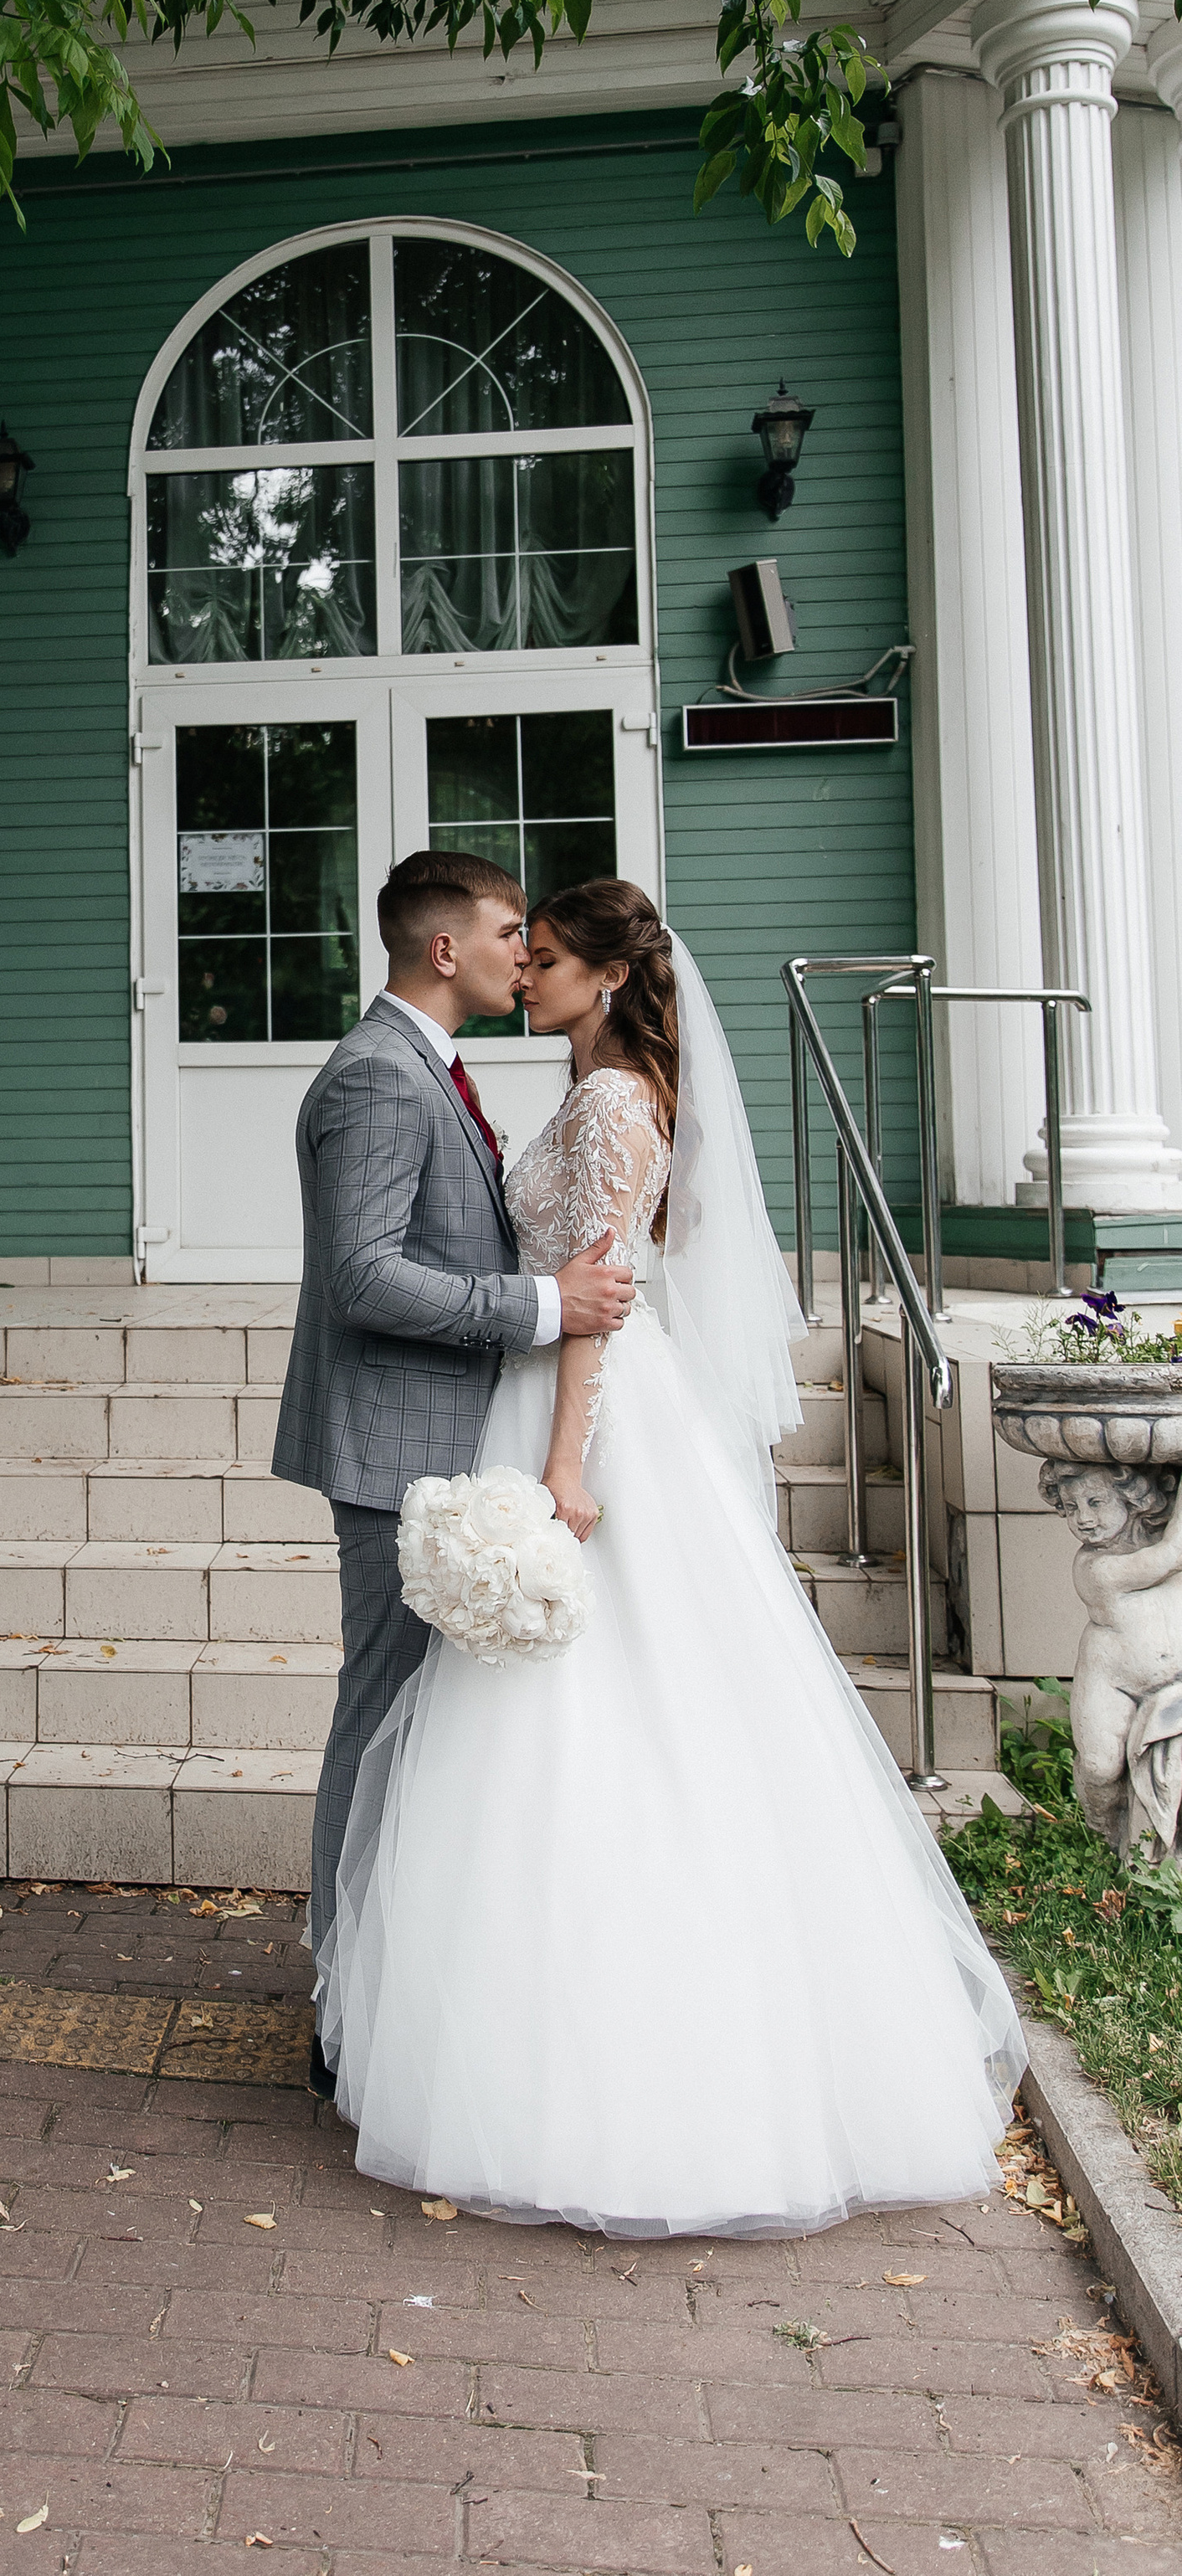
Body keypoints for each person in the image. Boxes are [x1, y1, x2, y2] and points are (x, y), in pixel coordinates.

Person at [315, 877, 1024, 2236]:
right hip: (553, 1391)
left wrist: (568, 1460)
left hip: (590, 1418)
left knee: (598, 1717)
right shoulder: (595, 1093)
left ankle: (593, 2045)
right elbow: (634, 1250)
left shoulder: (613, 1102)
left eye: (553, 955)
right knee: (566, 1714)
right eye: (520, 947)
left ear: (611, 980)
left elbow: (601, 1297)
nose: (529, 969)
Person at [274, 849, 637, 2099]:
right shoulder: (377, 1078)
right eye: (503, 934)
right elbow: (367, 1277)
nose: (519, 954)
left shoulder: (429, 1066)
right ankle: (340, 2009)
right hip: (392, 1449)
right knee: (380, 1721)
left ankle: (402, 1986)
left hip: (447, 1441)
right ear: (444, 949)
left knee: (429, 1733)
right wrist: (544, 1302)